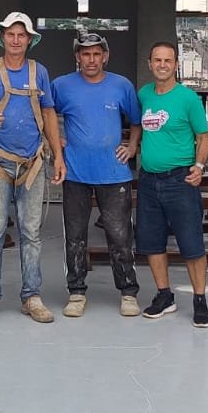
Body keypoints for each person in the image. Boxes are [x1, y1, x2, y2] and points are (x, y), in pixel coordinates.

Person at [0, 12, 65, 323]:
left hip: (32, 162)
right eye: (11, 35)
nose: (16, 40)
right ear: (2, 37)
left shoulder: (40, 72)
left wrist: (58, 156)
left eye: (22, 35)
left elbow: (48, 114)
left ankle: (31, 295)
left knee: (31, 232)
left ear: (30, 40)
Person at [51, 31, 141, 317]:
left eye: (96, 54)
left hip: (114, 173)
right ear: (77, 57)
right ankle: (76, 292)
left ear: (105, 56)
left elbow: (137, 121)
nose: (91, 59)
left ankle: (128, 291)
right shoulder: (61, 85)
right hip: (75, 172)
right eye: (85, 54)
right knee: (75, 235)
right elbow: (45, 113)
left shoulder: (121, 85)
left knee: (119, 234)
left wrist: (132, 146)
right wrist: (54, 141)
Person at [132, 41, 208, 328]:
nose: (162, 65)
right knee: (152, 242)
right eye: (157, 60)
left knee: (191, 243)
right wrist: (131, 147)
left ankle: (200, 299)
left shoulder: (188, 99)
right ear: (149, 63)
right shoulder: (144, 95)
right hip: (149, 180)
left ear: (176, 65)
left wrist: (200, 166)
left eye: (168, 60)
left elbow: (204, 137)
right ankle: (164, 295)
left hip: (180, 180)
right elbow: (139, 126)